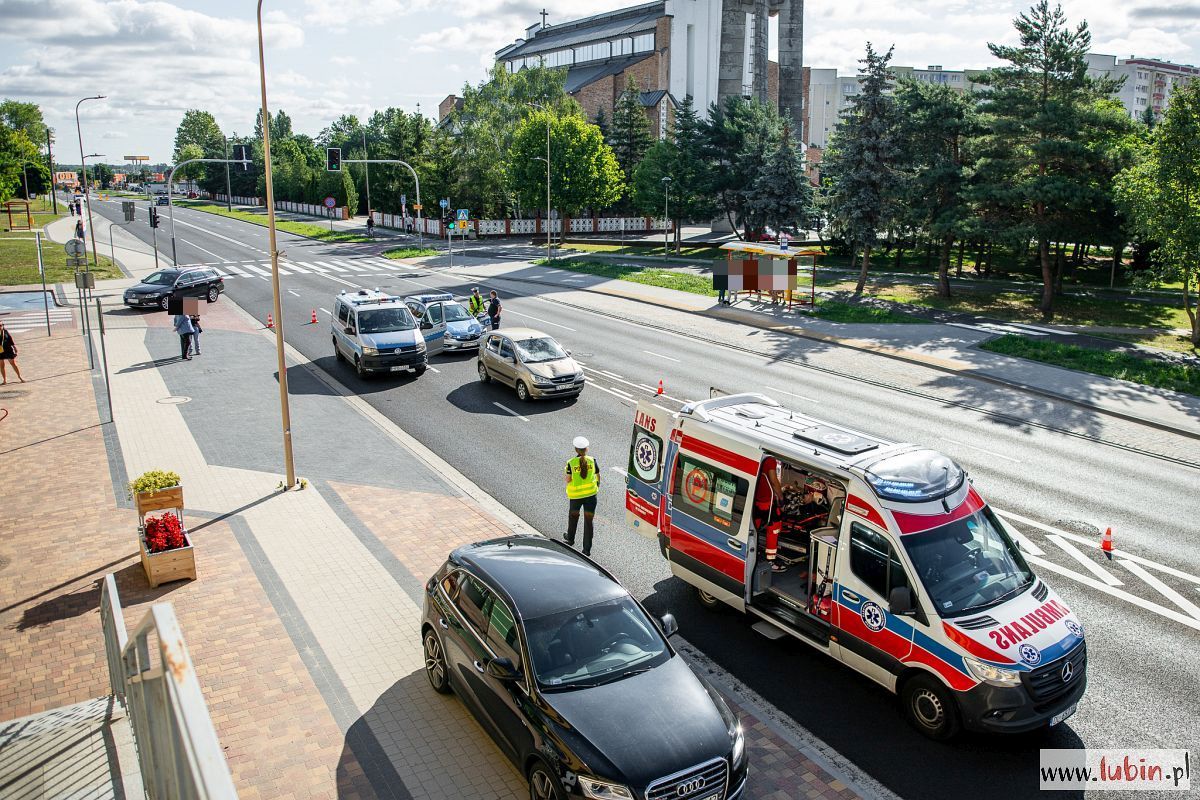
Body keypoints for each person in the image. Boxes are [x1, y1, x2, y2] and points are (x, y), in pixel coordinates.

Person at [563, 436, 599, 557]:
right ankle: (586, 549)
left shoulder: (571, 463)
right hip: (591, 496)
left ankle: (570, 539)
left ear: (576, 450)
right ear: (586, 449)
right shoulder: (592, 460)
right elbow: (598, 476)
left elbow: (568, 479)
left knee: (573, 517)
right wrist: (596, 487)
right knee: (589, 522)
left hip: (576, 496)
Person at [753, 456, 786, 571]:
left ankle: (754, 554)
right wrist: (781, 499)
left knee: (753, 527)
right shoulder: (769, 460)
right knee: (774, 528)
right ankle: (770, 561)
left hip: (754, 500)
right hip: (766, 502)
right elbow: (773, 480)